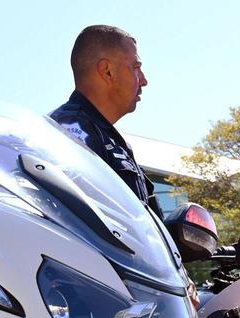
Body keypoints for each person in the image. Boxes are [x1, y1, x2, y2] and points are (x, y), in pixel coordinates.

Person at [50, 25, 162, 218]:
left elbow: (148, 231)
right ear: (107, 71)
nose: (144, 81)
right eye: (136, 68)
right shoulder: (68, 133)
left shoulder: (114, 143)